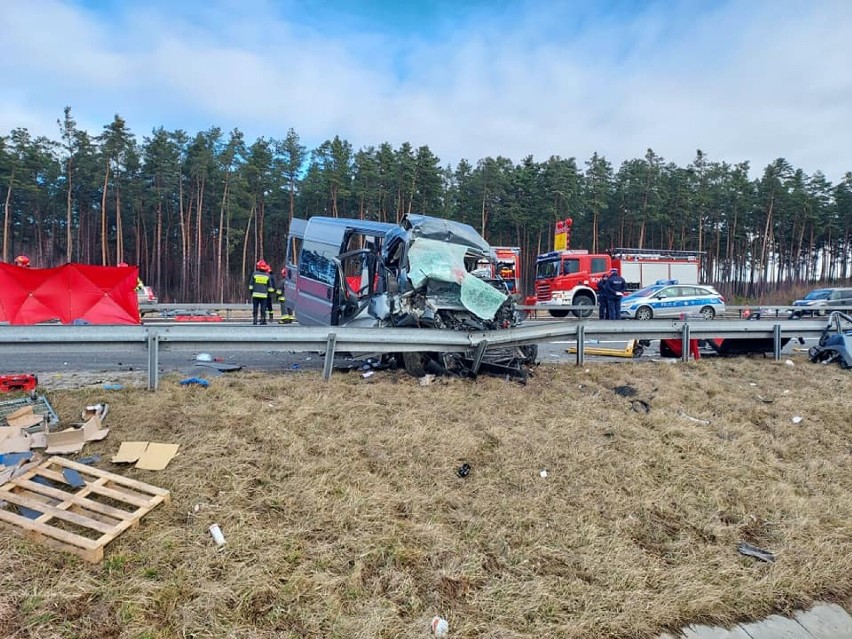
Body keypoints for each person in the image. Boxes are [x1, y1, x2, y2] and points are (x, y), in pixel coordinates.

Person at [249, 259, 273, 325]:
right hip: (264, 295)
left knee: (255, 308)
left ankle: (255, 320)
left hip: (255, 295)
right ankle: (263, 320)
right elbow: (270, 287)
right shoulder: (267, 275)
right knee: (263, 308)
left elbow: (251, 285)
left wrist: (251, 293)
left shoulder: (254, 274)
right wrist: (269, 295)